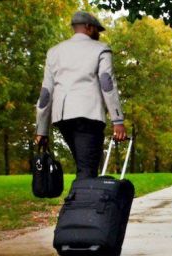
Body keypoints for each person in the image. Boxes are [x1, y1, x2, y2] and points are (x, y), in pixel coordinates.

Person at [35, 11, 127, 180]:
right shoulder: (101, 49)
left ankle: (80, 203)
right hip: (88, 116)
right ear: (89, 27)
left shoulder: (54, 52)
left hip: (63, 118)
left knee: (84, 166)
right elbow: (107, 84)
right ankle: (77, 205)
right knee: (87, 170)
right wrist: (118, 120)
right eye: (98, 30)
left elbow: (46, 93)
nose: (99, 34)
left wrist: (41, 130)